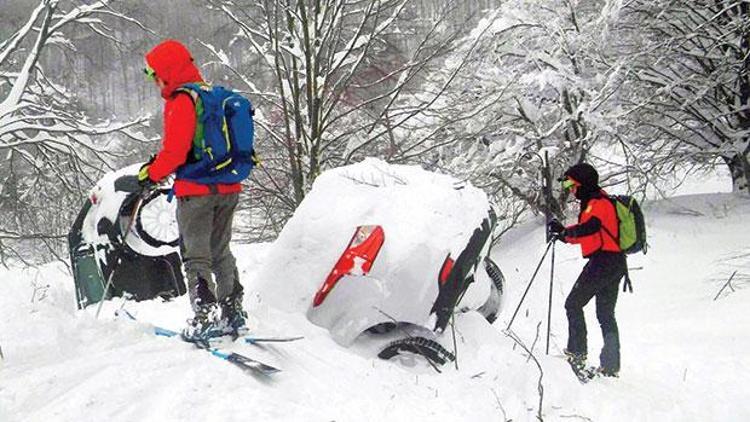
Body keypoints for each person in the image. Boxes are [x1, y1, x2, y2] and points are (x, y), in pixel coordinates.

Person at [137, 39, 247, 341]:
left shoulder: (182, 101)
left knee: (196, 256)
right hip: (228, 187)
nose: (154, 81)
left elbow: (175, 152)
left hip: (196, 192)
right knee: (221, 251)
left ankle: (205, 318)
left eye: (154, 74)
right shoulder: (212, 96)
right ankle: (232, 312)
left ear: (167, 72)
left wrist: (151, 175)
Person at [547, 163, 626, 377]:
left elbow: (589, 228)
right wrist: (565, 235)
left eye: (573, 184)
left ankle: (576, 355)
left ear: (583, 183)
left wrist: (564, 233)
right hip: (614, 262)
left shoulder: (597, 203)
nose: (571, 189)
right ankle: (610, 366)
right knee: (605, 314)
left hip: (603, 263)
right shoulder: (598, 200)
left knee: (573, 304)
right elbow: (590, 232)